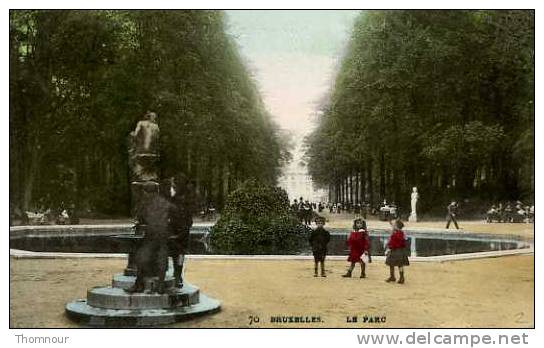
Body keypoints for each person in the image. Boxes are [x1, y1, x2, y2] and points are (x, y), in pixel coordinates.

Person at [385, 219, 409, 284]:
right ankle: (401, 277)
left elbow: (393, 242)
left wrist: (389, 247)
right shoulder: (401, 233)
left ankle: (393, 276)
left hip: (395, 250)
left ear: (397, 226)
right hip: (401, 250)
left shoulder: (396, 234)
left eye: (394, 225)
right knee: (400, 265)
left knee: (391, 264)